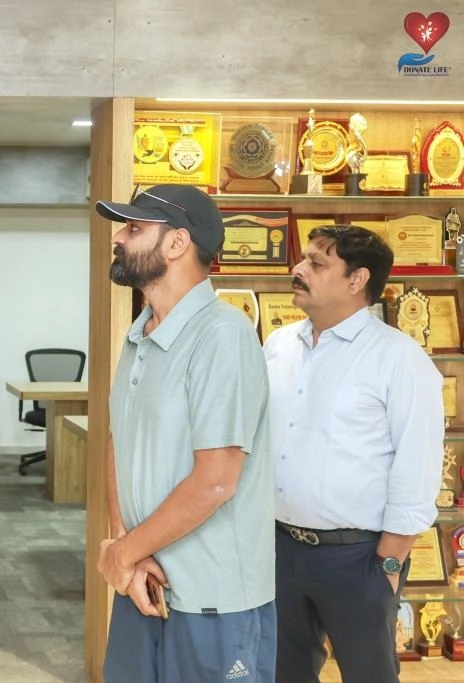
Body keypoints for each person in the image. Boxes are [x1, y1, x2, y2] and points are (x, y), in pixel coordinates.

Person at [94, 184, 275, 683]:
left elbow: (216, 481)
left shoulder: (223, 336)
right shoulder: (139, 334)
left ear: (177, 243)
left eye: (134, 228)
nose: (118, 239)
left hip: (212, 602)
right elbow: (118, 442)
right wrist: (128, 552)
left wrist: (122, 553)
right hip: (145, 582)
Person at [264, 224, 443, 683]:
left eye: (316, 263)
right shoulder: (279, 346)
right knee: (282, 673)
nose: (298, 269)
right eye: (303, 259)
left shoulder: (400, 360)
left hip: (358, 559)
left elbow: (417, 468)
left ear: (357, 280)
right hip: (280, 549)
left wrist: (388, 566)